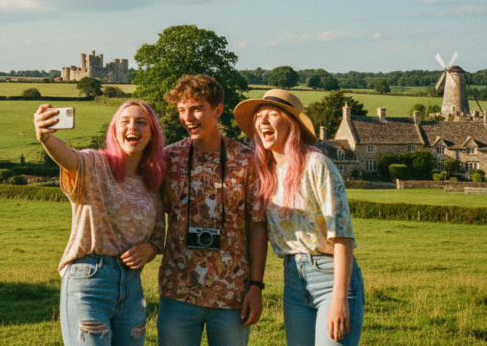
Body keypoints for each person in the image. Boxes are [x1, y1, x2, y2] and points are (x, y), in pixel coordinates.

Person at [234, 89, 365, 346]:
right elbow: (258, 229)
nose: (263, 121)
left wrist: (339, 298)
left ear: (291, 124)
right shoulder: (265, 172)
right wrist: (255, 284)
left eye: (272, 115)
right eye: (259, 116)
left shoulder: (316, 164)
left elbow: (343, 234)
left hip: (331, 277)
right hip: (293, 279)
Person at [33, 100, 167, 346]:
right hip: (88, 281)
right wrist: (46, 139)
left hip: (131, 287)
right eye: (124, 121)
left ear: (152, 134)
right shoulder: (95, 164)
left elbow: (157, 240)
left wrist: (148, 250)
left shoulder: (152, 182)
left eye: (141, 122)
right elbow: (69, 158)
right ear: (115, 131)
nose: (132, 127)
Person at [153, 75, 267, 346]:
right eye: (182, 109)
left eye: (196, 108)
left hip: (232, 294)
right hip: (177, 292)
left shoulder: (246, 159)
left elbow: (257, 225)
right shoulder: (169, 158)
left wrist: (257, 285)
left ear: (217, 110)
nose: (187, 117)